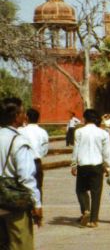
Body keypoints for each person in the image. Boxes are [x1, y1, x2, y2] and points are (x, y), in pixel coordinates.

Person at [0, 98, 43, 249]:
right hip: (15, 203)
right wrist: (36, 203)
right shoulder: (18, 141)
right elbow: (26, 177)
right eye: (23, 112)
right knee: (20, 244)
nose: (25, 116)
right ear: (16, 116)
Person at [71, 108, 110, 228]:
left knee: (81, 190)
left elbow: (76, 149)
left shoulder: (79, 132)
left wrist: (74, 164)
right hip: (97, 165)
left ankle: (85, 210)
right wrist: (107, 166)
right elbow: (107, 152)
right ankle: (93, 220)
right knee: (96, 193)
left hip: (83, 165)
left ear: (85, 119)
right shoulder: (103, 133)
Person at [20, 108, 49, 201]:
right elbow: (45, 150)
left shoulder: (21, 131)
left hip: (23, 162)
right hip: (37, 162)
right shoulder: (43, 132)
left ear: (26, 117)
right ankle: (38, 208)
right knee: (38, 186)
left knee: (24, 187)